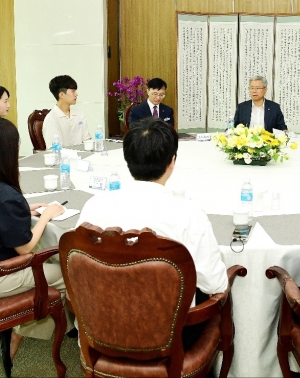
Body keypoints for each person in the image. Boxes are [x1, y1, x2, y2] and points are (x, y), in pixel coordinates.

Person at [0, 118, 73, 372]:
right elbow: (25, 248)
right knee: (67, 272)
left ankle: (64, 327)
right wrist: (46, 216)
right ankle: (24, 332)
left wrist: (24, 210)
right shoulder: (4, 193)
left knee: (49, 258)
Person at [76, 117, 228, 308]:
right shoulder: (188, 214)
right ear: (172, 161)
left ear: (127, 158)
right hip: (170, 333)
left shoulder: (94, 206)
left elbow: (77, 268)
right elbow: (215, 283)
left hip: (100, 325)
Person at [42, 75, 91, 147]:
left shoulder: (79, 114)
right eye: (73, 91)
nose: (76, 94)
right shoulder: (51, 119)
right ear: (62, 95)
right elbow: (54, 148)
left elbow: (87, 140)